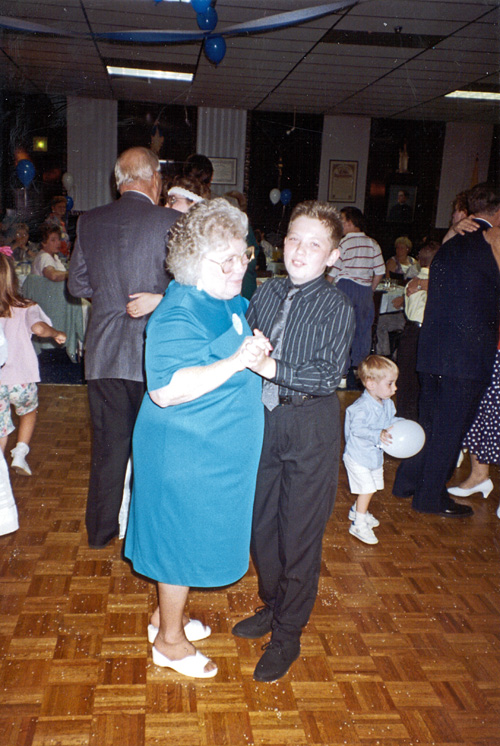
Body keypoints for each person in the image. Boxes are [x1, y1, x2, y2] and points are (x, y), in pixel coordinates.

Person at [124, 198, 270, 679]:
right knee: (178, 540)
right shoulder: (176, 312)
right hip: (184, 449)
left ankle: (164, 617)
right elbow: (167, 391)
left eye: (242, 254)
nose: (237, 266)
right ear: (194, 262)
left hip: (213, 448)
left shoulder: (225, 299)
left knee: (184, 538)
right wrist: (237, 360)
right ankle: (168, 641)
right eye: (224, 259)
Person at [232, 200, 355, 683]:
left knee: (299, 535)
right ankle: (273, 604)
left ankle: (287, 633)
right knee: (262, 528)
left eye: (314, 244)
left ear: (332, 256)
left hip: (310, 426)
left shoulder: (336, 304)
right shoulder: (266, 290)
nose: (300, 251)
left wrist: (270, 367)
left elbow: (326, 375)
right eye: (293, 240)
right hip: (263, 421)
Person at [68, 147, 178, 548]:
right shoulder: (172, 221)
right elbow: (190, 287)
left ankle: (100, 533)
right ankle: (143, 535)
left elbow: (76, 285)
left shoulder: (90, 222)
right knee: (153, 453)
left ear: (119, 181)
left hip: (105, 355)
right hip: (156, 357)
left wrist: (109, 292)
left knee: (108, 451)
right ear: (154, 179)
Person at [392, 183, 500, 517]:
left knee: (429, 423)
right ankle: (429, 498)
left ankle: (406, 483)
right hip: (467, 355)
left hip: (434, 348)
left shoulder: (449, 244)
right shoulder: (493, 239)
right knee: (449, 430)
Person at [0, 252, 66, 477]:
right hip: (22, 379)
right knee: (28, 411)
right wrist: (56, 333)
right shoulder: (27, 306)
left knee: (1, 427)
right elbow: (39, 329)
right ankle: (20, 452)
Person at [343, 355, 400, 545]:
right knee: (367, 488)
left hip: (374, 455)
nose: (395, 388)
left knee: (373, 487)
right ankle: (358, 524)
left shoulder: (388, 404)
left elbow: (390, 423)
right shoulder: (360, 407)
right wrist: (378, 434)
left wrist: (400, 425)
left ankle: (358, 510)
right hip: (357, 456)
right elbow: (357, 430)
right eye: (390, 384)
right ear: (371, 384)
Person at [327, 206, 385, 389]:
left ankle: (341, 374)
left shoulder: (343, 244)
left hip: (345, 288)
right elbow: (380, 272)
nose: (340, 225)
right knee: (363, 331)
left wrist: (326, 288)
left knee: (341, 331)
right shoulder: (373, 243)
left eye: (342, 221)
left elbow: (334, 271)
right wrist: (370, 289)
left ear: (351, 223)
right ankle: (361, 373)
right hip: (365, 291)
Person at [395, 241, 439, 420]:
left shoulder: (414, 282)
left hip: (410, 332)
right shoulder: (435, 283)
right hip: (425, 333)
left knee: (407, 379)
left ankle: (404, 417)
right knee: (420, 381)